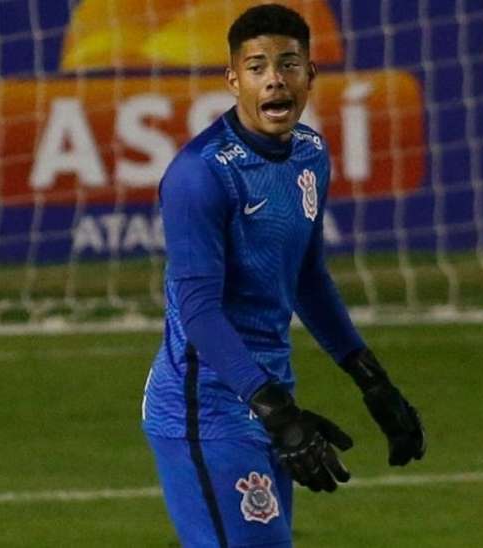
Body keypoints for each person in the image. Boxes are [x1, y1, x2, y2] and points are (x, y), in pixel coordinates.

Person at [141, 4, 425, 547]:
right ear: (233, 80)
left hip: (268, 400)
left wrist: (372, 382)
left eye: (289, 64)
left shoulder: (310, 155)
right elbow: (199, 311)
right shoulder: (200, 176)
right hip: (207, 411)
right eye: (257, 67)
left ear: (310, 76)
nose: (275, 78)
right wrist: (277, 414)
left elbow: (308, 278)